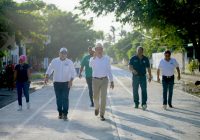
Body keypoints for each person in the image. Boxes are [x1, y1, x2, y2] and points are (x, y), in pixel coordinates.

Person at [44, 48, 76, 121]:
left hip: (66, 83)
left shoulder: (69, 62)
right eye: (62, 53)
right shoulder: (54, 61)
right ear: (59, 53)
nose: (63, 54)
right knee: (59, 99)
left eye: (64, 53)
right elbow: (50, 69)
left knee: (65, 98)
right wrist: (46, 77)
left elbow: (73, 72)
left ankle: (65, 114)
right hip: (56, 83)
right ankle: (60, 113)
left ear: (66, 54)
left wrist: (71, 80)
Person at [89, 43, 114, 121]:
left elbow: (109, 70)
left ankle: (102, 114)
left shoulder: (107, 58)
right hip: (95, 80)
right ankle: (97, 107)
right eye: (97, 49)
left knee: (103, 97)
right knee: (95, 97)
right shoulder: (92, 59)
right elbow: (90, 65)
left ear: (102, 50)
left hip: (104, 80)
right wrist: (94, 57)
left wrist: (112, 81)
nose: (99, 50)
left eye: (100, 49)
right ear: (95, 50)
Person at [128, 46, 152, 110]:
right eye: (138, 50)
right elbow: (130, 67)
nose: (139, 52)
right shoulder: (133, 58)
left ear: (142, 51)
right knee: (135, 90)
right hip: (135, 77)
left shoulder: (145, 59)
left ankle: (144, 103)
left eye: (141, 51)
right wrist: (133, 70)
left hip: (143, 77)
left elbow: (148, 68)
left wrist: (150, 76)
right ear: (137, 51)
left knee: (144, 90)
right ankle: (136, 103)